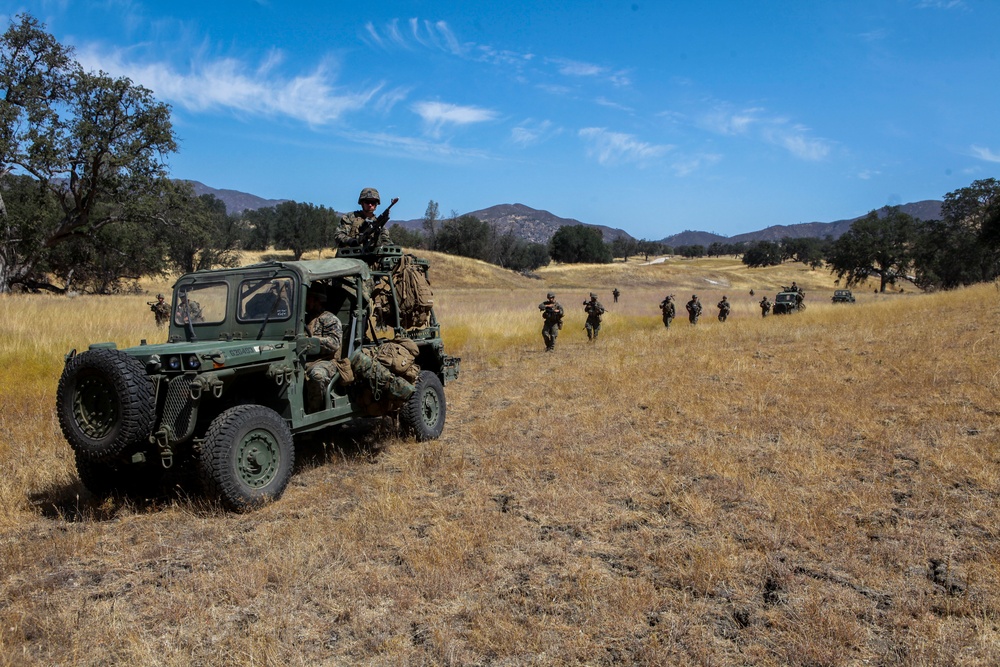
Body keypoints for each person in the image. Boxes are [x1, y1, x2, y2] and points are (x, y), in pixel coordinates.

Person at [304, 287, 344, 410]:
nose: (306, 302)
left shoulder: (329, 319)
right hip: (302, 360)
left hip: (325, 361)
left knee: (317, 376)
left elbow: (334, 344)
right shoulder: (302, 318)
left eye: (309, 299)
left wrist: (312, 341)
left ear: (318, 300)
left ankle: (316, 412)